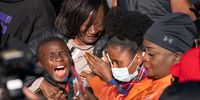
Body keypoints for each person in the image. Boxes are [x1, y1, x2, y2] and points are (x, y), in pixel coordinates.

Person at [80, 9, 153, 99]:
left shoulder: (149, 81)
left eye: (118, 63)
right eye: (111, 62)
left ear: (138, 59)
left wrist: (108, 80)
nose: (113, 68)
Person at [125, 13, 196, 99]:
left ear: (177, 58)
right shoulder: (147, 81)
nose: (144, 57)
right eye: (144, 51)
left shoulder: (173, 94)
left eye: (151, 54)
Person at [55, 0, 108, 73]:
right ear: (74, 21)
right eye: (87, 26)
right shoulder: (52, 40)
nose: (93, 31)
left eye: (98, 25)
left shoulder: (106, 52)